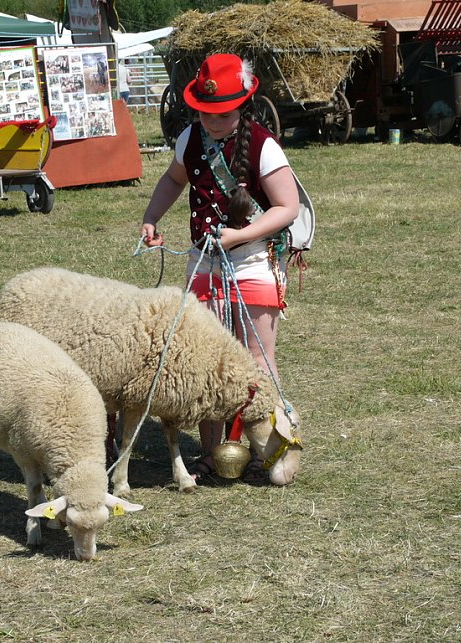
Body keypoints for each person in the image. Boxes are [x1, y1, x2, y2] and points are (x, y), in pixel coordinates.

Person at [139, 53, 299, 484]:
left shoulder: (264, 144)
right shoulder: (189, 139)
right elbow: (174, 179)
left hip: (251, 263)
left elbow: (288, 207)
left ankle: (276, 452)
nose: (212, 121)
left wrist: (242, 236)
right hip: (203, 261)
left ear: (242, 104)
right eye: (205, 112)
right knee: (205, 362)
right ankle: (214, 453)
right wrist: (152, 217)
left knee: (258, 361)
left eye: (222, 113)